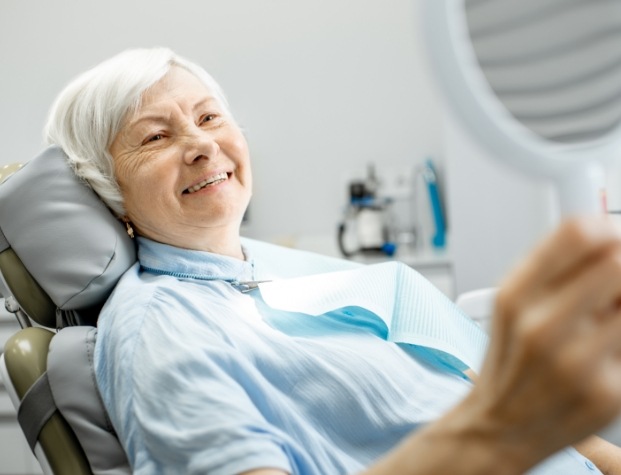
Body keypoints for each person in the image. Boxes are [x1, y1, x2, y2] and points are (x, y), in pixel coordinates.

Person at [44, 47, 621, 475]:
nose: (202, 145)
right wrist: (501, 425)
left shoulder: (271, 270)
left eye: (210, 117)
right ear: (107, 188)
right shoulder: (163, 332)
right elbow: (504, 416)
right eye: (154, 137)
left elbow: (517, 412)